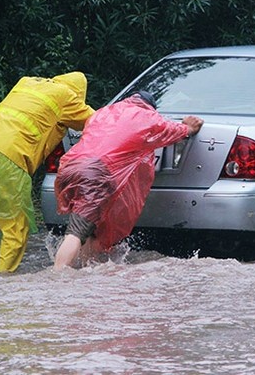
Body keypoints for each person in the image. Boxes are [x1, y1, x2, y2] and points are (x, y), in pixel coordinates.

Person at [0, 72, 95, 272]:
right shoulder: (67, 96)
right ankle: (4, 279)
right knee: (16, 226)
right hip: (10, 156)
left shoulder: (27, 83)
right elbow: (98, 120)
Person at [53, 91, 203, 269]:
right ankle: (58, 277)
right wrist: (189, 127)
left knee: (91, 230)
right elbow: (174, 131)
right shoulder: (147, 117)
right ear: (150, 107)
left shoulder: (103, 113)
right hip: (95, 173)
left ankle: (86, 269)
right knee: (76, 232)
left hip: (70, 166)